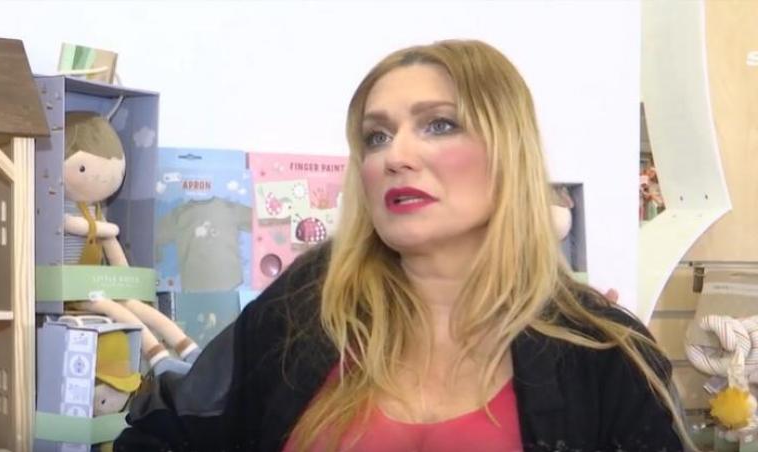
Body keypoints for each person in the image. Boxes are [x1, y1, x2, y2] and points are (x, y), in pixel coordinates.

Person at [115, 40, 690, 452]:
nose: (395, 155)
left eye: (439, 124)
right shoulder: (304, 308)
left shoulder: (602, 351)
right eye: (376, 136)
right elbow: (167, 434)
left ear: (508, 150)